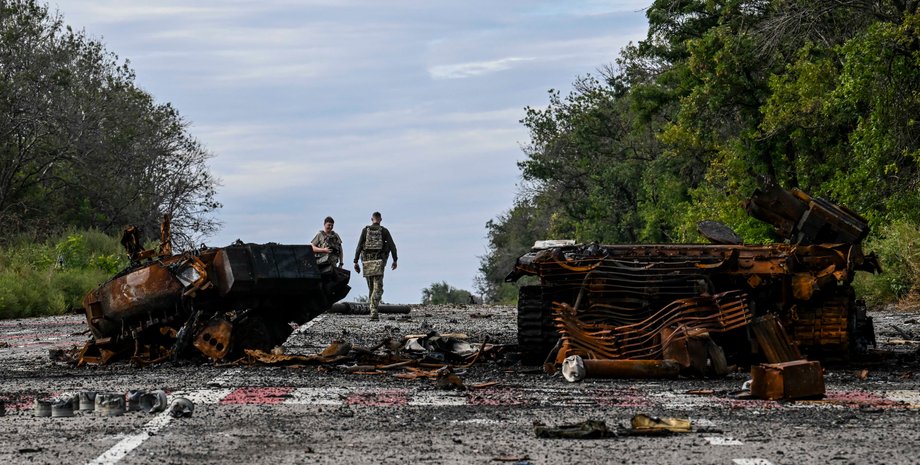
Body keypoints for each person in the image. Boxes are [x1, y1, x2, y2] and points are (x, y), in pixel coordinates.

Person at [353, 211, 397, 320]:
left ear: (371, 219)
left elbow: (359, 246)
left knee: (371, 287)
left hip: (367, 262)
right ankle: (373, 311)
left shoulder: (365, 230)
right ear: (380, 219)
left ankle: (372, 309)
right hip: (379, 262)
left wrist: (355, 261)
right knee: (378, 288)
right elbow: (392, 246)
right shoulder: (384, 231)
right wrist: (395, 260)